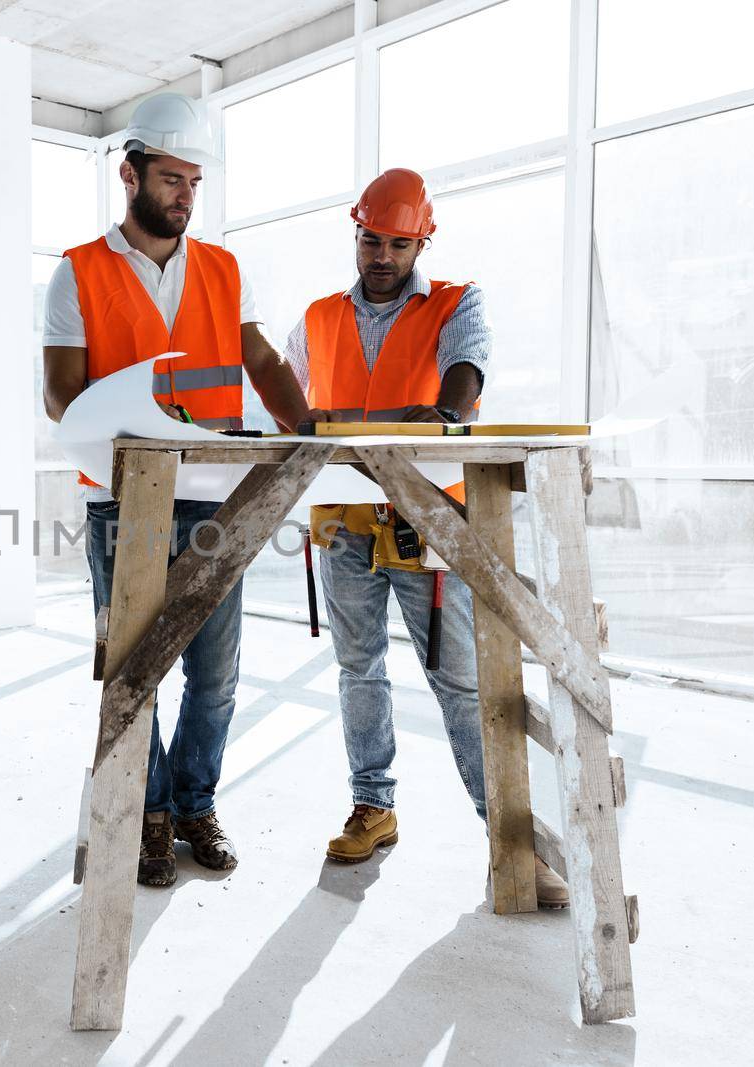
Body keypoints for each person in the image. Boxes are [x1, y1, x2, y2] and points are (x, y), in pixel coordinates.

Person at [41, 93, 312, 887]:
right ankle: (151, 814)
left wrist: (306, 430)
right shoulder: (78, 272)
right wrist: (133, 420)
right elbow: (61, 394)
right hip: (121, 499)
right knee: (135, 668)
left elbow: (261, 364)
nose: (186, 194)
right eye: (170, 177)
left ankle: (195, 802)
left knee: (217, 672)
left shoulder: (225, 271)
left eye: (194, 180)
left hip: (214, 496)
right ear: (128, 174)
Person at [290, 168, 568, 908]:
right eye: (371, 239)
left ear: (422, 243)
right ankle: (373, 806)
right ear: (356, 234)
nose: (381, 255)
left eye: (398, 243)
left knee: (461, 683)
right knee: (359, 669)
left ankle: (512, 844)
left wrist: (445, 412)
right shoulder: (317, 317)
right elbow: (287, 394)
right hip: (346, 519)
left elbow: (467, 369)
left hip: (428, 518)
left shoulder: (454, 302)